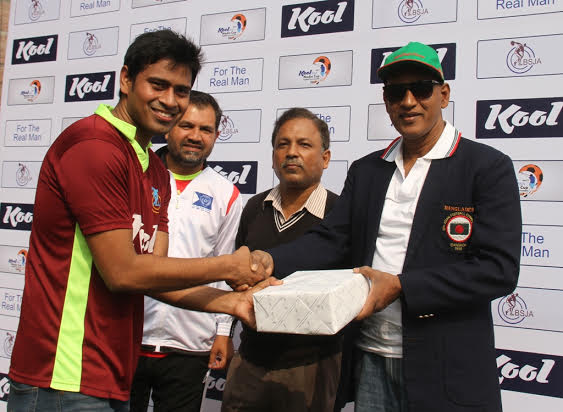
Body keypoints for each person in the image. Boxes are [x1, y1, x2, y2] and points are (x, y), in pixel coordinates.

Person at [8, 30, 273, 412]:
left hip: (111, 373)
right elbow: (123, 272)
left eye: (181, 90)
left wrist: (233, 303)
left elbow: (156, 276)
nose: (170, 101)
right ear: (127, 79)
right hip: (62, 377)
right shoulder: (95, 147)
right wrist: (229, 266)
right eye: (158, 85)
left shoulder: (155, 171)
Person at [254, 42, 522, 412]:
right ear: (386, 100)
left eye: (421, 89)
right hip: (370, 358)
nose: (408, 101)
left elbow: (498, 270)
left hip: (447, 367)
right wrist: (267, 261)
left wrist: (400, 287)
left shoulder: (486, 167)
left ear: (443, 95)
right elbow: (332, 242)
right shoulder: (367, 170)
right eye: (397, 92)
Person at [222, 108, 342, 412]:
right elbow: (236, 279)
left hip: (311, 366)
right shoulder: (253, 208)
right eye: (282, 144)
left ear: (326, 158)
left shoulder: (340, 214)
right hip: (249, 358)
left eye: (304, 144)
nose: (292, 153)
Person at [129, 91, 241, 412]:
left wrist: (222, 332)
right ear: (168, 128)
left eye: (206, 130)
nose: (195, 136)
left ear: (217, 136)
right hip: (129, 335)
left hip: (191, 344)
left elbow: (224, 270)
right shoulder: (137, 175)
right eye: (186, 125)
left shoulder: (226, 194)